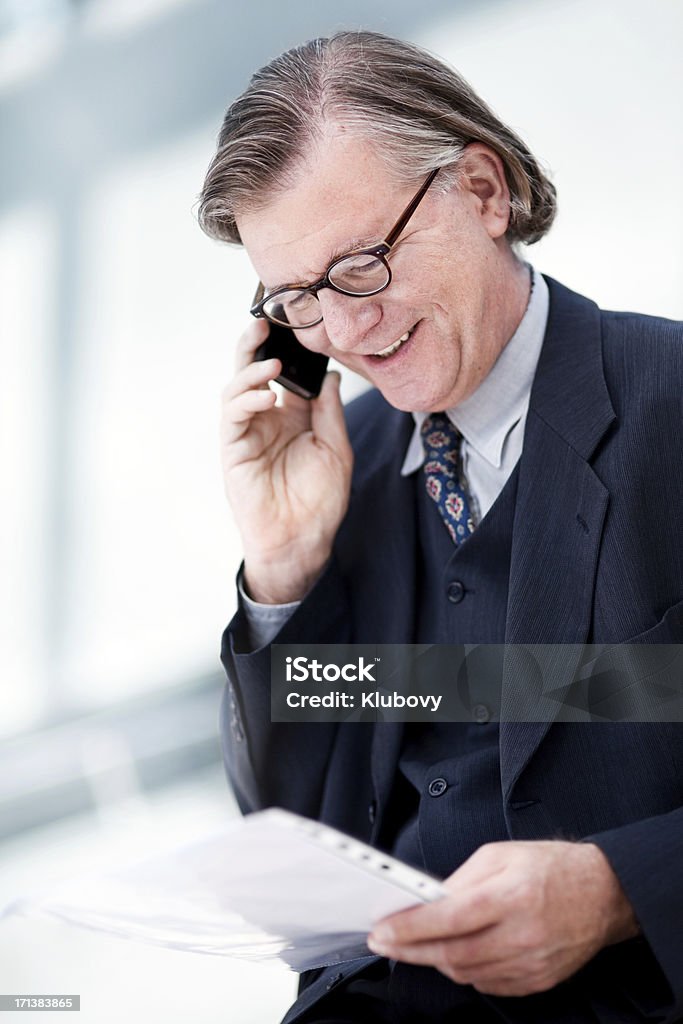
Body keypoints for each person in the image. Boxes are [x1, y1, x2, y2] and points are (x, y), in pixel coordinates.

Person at [197, 30, 683, 1024]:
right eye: (296, 299)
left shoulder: (667, 401)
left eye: (361, 264)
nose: (344, 329)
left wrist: (618, 890)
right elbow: (296, 847)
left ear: (481, 190)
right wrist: (282, 574)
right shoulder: (342, 465)